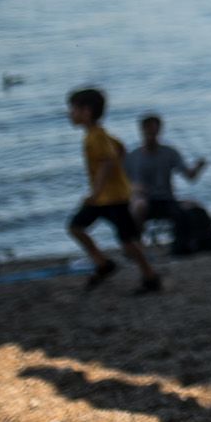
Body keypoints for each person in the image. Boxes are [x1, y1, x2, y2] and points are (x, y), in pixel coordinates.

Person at [65, 88, 162, 294]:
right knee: (76, 227)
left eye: (73, 109)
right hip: (108, 197)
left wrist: (95, 192)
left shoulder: (95, 137)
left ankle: (150, 277)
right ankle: (103, 263)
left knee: (126, 242)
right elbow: (120, 149)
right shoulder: (99, 134)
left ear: (86, 112)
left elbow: (108, 162)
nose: (69, 114)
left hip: (113, 199)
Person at [126, 113, 207, 228]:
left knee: (195, 208)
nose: (151, 135)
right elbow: (123, 183)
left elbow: (190, 176)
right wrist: (134, 188)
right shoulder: (133, 156)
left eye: (154, 131)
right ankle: (137, 237)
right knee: (139, 205)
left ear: (159, 130)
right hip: (145, 200)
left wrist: (198, 166)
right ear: (142, 130)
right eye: (148, 131)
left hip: (166, 199)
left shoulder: (170, 153)